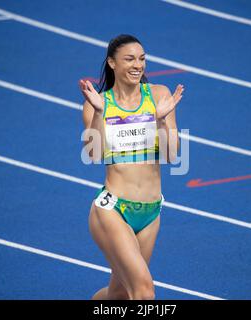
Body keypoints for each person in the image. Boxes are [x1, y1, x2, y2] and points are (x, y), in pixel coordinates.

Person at [79, 34, 184, 300]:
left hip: (151, 212)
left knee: (118, 296)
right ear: (112, 63)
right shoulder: (98, 102)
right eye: (129, 59)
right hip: (113, 210)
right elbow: (93, 154)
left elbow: (172, 155)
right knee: (144, 291)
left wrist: (160, 120)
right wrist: (100, 112)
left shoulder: (159, 95)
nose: (138, 65)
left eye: (142, 58)